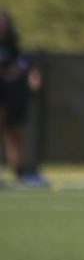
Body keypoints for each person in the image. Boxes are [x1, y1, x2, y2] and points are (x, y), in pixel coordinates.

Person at [0, 10, 47, 187]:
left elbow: (23, 62)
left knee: (14, 133)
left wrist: (17, 73)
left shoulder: (12, 41)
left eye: (2, 20)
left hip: (11, 95)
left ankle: (19, 172)